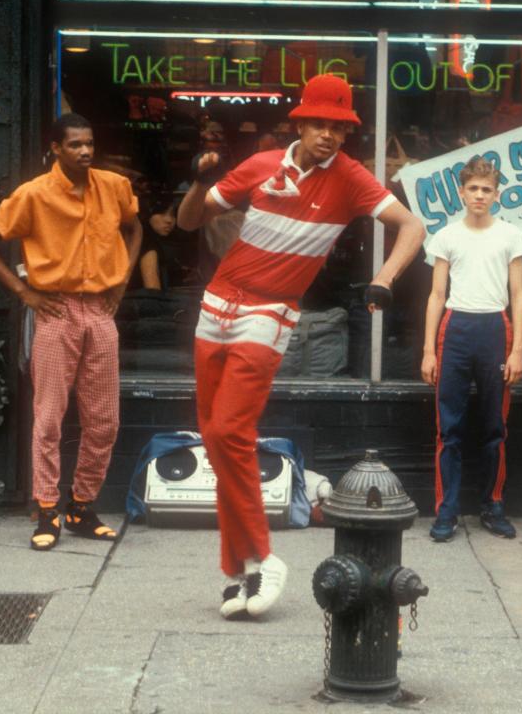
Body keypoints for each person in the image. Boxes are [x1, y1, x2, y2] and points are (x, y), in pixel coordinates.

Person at [177, 74, 424, 619]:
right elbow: (188, 220)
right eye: (320, 124)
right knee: (217, 443)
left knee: (229, 431)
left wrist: (384, 276)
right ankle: (238, 569)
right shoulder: (261, 165)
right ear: (300, 123)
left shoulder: (353, 179)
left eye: (339, 127)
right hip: (218, 302)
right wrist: (199, 183)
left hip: (270, 310)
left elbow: (412, 226)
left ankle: (264, 556)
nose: (329, 135)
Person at [0, 112, 142, 551]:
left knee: (104, 420)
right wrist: (24, 294)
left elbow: (135, 226)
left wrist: (122, 281)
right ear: (56, 149)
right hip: (56, 311)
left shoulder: (113, 187)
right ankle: (46, 509)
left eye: (89, 143)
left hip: (101, 312)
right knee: (48, 417)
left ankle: (81, 506)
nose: (85, 151)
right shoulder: (34, 194)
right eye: (75, 145)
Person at [421, 156, 522, 542]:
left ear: (497, 195)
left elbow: (518, 295)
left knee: (493, 426)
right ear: (462, 193)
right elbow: (436, 295)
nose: (480, 195)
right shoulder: (446, 235)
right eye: (473, 189)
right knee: (448, 428)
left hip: (494, 327)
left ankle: (492, 504)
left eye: (487, 189)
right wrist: (429, 351)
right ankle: (446, 510)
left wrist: (517, 350)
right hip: (456, 327)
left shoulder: (511, 235)